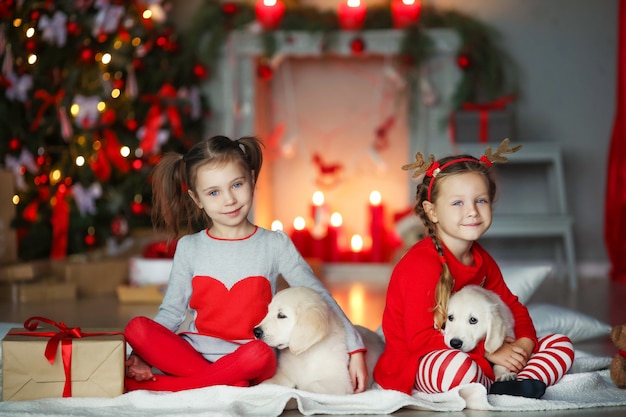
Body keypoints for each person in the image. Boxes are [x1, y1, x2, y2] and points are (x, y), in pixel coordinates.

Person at [124, 135, 368, 392]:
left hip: (250, 357)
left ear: (252, 179)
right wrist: (141, 354)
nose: (229, 199)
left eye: (237, 184)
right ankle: (227, 383)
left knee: (259, 354)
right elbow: (172, 313)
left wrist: (355, 348)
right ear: (197, 199)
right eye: (214, 192)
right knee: (136, 329)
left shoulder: (274, 244)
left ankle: (184, 385)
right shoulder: (189, 247)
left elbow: (317, 295)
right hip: (195, 353)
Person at [373, 139, 575, 398]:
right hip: (420, 361)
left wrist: (524, 344)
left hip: (482, 353)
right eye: (458, 203)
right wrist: (491, 352)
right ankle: (497, 379)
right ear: (431, 211)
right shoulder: (420, 265)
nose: (472, 212)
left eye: (480, 201)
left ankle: (511, 383)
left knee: (561, 344)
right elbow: (420, 339)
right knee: (458, 369)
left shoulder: (481, 259)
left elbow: (512, 307)